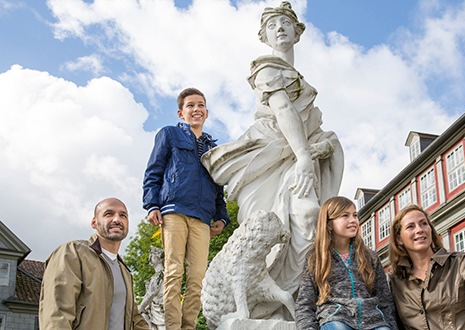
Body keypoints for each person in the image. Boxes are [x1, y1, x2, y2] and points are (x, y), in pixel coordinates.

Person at [201, 1, 344, 319]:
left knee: (309, 222)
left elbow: (311, 126)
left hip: (299, 154)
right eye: (272, 24)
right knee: (270, 233)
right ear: (263, 35)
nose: (279, 28)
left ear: (298, 32)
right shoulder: (265, 67)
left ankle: (291, 304)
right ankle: (260, 306)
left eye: (285, 23)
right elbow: (282, 110)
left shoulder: (300, 80)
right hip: (269, 158)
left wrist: (318, 149)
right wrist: (305, 156)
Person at [142, 87, 230, 330]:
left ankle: (188, 327)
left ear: (207, 112)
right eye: (190, 105)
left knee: (197, 278)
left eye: (200, 105)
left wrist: (222, 216)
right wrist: (151, 205)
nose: (196, 109)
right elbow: (153, 171)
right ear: (181, 113)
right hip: (173, 211)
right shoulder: (169, 135)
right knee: (173, 272)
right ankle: (171, 327)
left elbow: (218, 185)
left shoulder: (212, 148)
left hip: (202, 218)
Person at [388, 204, 465, 329]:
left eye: (423, 223)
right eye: (410, 226)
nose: (419, 229)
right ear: (399, 239)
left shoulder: (460, 263)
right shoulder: (395, 281)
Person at [39, 197, 149, 330]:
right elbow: (57, 313)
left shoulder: (124, 271)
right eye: (109, 214)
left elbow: (135, 319)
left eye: (123, 215)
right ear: (94, 222)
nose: (117, 219)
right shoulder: (72, 252)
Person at [295, 196, 397, 330]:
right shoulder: (316, 259)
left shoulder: (370, 257)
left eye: (355, 215)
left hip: (374, 321)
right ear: (329, 224)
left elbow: (385, 300)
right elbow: (304, 304)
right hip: (336, 318)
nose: (353, 220)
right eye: (345, 216)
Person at [138, 246, 166, 330]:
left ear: (160, 259)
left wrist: (139, 309)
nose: (150, 257)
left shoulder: (159, 276)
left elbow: (150, 295)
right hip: (156, 312)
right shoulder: (157, 276)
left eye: (153, 254)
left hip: (161, 312)